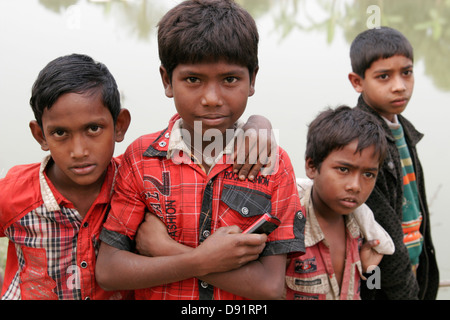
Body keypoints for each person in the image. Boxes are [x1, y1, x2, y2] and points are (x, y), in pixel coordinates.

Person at [95, 0, 305, 300]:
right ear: (167, 80)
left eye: (229, 79)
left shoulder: (272, 164)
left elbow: (270, 287)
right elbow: (110, 271)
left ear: (252, 80)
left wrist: (167, 251)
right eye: (193, 79)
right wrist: (200, 260)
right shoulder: (141, 159)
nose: (211, 98)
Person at [0, 53, 132, 300]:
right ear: (40, 135)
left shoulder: (134, 186)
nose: (79, 151)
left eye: (93, 128)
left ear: (119, 125)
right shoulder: (14, 195)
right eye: (60, 133)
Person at [348, 26, 439, 300]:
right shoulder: (361, 141)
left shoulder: (403, 130)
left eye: (406, 73)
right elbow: (383, 234)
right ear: (357, 81)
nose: (399, 85)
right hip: (381, 272)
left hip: (415, 261)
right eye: (384, 76)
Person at [285, 106, 394, 300]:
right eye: (343, 170)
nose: (355, 186)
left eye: (368, 174)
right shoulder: (286, 227)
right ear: (311, 166)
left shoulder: (364, 229)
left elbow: (371, 290)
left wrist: (370, 271)